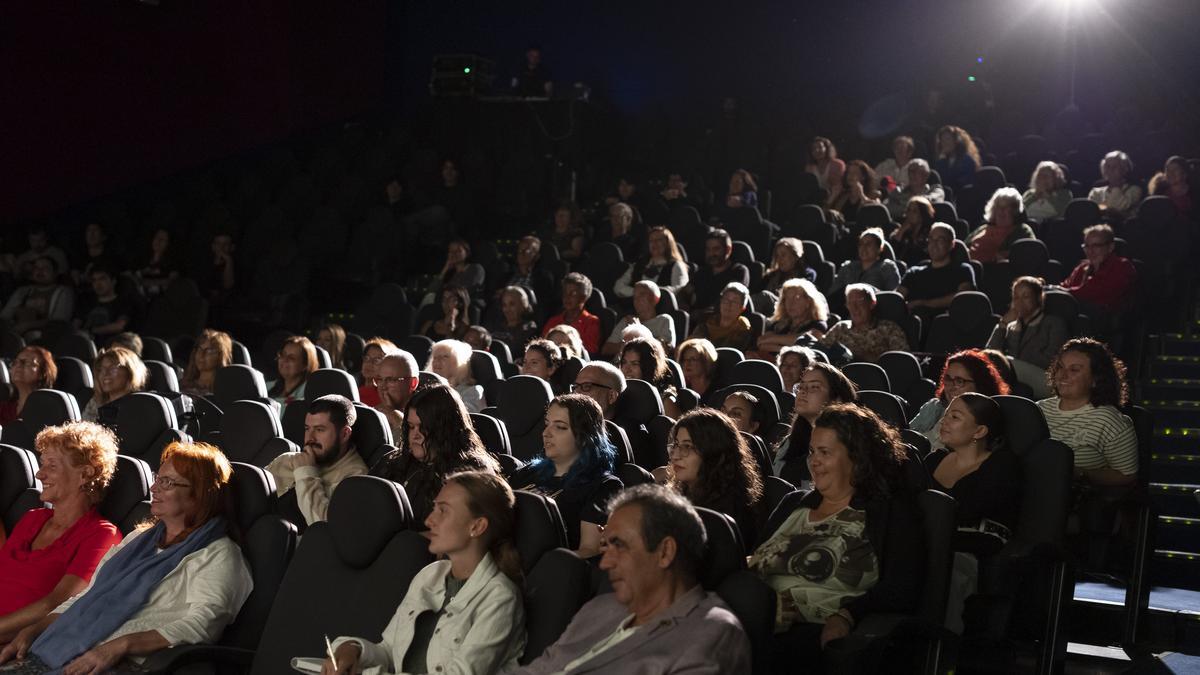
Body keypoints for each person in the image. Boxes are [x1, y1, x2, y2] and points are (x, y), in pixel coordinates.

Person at [0, 441, 252, 673]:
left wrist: (122, 645)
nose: (154, 488)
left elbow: (202, 625)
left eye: (168, 483)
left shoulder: (219, 555)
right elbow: (88, 596)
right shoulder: (137, 540)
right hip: (69, 647)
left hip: (128, 664)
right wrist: (35, 629)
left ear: (200, 494)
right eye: (157, 478)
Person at [511, 485, 752, 674]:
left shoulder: (711, 634)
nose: (604, 564)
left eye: (619, 545)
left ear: (665, 552)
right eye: (605, 547)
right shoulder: (599, 608)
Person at [750, 404, 921, 665]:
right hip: (757, 616)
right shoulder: (792, 504)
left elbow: (901, 588)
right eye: (811, 451)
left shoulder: (888, 512)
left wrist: (846, 616)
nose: (813, 461)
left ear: (857, 457)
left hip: (814, 631)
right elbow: (753, 565)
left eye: (825, 452)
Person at [324, 471, 525, 675]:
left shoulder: (501, 598)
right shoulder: (430, 575)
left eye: (443, 511)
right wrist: (353, 649)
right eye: (434, 508)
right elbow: (389, 651)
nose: (429, 520)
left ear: (477, 526)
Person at [0, 423, 122, 640]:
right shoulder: (32, 518)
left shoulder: (102, 535)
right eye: (42, 464)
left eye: (52, 466)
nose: (40, 474)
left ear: (85, 474)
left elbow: (58, 603)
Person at [924, 392, 1021, 633]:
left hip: (969, 550)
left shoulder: (1002, 465)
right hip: (928, 542)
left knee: (948, 572)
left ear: (979, 432)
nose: (944, 421)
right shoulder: (933, 461)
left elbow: (969, 511)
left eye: (955, 417)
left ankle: (940, 657)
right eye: (946, 415)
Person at [507, 394, 621, 558]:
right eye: (547, 424)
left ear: (585, 436)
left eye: (560, 427)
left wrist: (542, 566)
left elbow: (589, 550)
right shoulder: (527, 472)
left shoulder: (603, 486)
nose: (546, 433)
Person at [370, 384, 501, 527]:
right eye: (411, 427)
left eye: (425, 428)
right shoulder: (393, 462)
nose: (415, 436)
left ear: (445, 429)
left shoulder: (471, 472)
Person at [1038, 338, 1138, 487]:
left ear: (1095, 379)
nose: (1062, 375)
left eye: (1074, 370)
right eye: (1060, 367)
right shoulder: (1037, 409)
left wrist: (1079, 473)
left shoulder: (1108, 420)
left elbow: (1127, 476)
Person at [266, 395, 368, 528]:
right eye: (307, 429)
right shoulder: (286, 460)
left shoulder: (356, 479)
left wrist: (305, 473)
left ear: (344, 434)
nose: (310, 438)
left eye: (320, 430)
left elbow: (325, 530)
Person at [667, 408, 764, 547]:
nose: (675, 455)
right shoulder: (683, 493)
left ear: (714, 453)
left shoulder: (727, 511)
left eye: (687, 446)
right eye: (676, 444)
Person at [771, 362, 858, 486]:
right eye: (801, 387)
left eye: (814, 387)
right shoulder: (789, 442)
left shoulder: (851, 441)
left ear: (836, 399)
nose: (803, 391)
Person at [910, 349, 1010, 452]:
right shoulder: (934, 406)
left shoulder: (983, 421)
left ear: (980, 386)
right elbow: (906, 437)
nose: (951, 387)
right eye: (948, 378)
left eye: (959, 381)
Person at [987, 276, 1068, 397]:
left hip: (1046, 380)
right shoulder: (1012, 326)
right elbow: (990, 354)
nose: (1019, 301)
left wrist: (1013, 358)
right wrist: (1002, 324)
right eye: (1016, 297)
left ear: (1038, 299)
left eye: (1026, 297)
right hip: (1016, 378)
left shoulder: (1054, 323)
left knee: (1004, 362)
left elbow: (1052, 361)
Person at [897, 222, 976, 324]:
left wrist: (925, 303)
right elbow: (897, 298)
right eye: (931, 239)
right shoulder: (914, 272)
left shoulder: (962, 269)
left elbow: (963, 297)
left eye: (940, 240)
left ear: (951, 244)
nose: (934, 244)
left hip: (945, 323)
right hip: (912, 321)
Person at [1061, 224, 1137, 318]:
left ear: (1110, 247)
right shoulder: (1082, 267)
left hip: (1105, 321)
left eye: (1096, 246)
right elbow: (1065, 286)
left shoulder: (1122, 266)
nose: (1090, 251)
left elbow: (1096, 293)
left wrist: (1063, 292)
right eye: (1087, 246)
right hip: (1078, 317)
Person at [819, 284, 910, 362]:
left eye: (860, 301)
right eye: (850, 303)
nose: (855, 308)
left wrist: (872, 357)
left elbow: (902, 360)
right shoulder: (840, 327)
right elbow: (820, 351)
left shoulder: (888, 328)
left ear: (872, 303)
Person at [1, 257, 74, 339]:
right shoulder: (23, 291)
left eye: (45, 268)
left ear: (55, 273)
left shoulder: (63, 292)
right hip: (16, 335)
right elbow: (5, 316)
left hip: (47, 338)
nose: (40, 271)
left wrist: (27, 326)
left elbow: (59, 322)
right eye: (36, 268)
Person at [756, 278, 829, 358]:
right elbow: (762, 343)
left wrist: (775, 341)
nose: (791, 303)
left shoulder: (818, 324)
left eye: (796, 298)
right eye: (787, 298)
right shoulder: (779, 323)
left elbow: (806, 341)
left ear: (808, 302)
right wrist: (791, 348)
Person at [613, 226, 689, 300]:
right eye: (651, 240)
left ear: (668, 243)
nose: (654, 243)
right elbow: (618, 287)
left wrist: (652, 292)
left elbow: (679, 289)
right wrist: (639, 293)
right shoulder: (639, 265)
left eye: (659, 240)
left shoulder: (677, 265)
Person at [603, 280, 676, 356]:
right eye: (634, 296)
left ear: (655, 298)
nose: (636, 299)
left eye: (642, 294)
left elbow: (666, 349)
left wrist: (639, 330)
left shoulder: (664, 320)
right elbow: (606, 349)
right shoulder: (627, 321)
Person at [965, 187, 1036, 263]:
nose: (1001, 210)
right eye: (999, 206)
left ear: (1015, 210)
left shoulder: (1022, 230)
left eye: (1007, 207)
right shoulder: (983, 228)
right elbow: (963, 247)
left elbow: (1029, 252)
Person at [618, 337, 682, 418]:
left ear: (648, 367)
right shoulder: (616, 395)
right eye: (624, 362)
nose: (627, 369)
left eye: (635, 364)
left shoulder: (666, 401)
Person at [828, 228, 901, 297]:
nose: (863, 247)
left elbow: (892, 296)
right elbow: (833, 293)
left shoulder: (888, 267)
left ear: (879, 249)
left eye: (868, 244)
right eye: (861, 244)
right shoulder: (847, 267)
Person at [82, 347, 147, 423]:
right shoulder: (94, 403)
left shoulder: (141, 404)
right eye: (101, 369)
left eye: (113, 368)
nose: (105, 373)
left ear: (130, 371)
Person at [690, 229, 750, 312]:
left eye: (716, 249)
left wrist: (702, 314)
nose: (711, 253)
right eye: (708, 249)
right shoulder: (702, 272)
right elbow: (686, 291)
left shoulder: (738, 272)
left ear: (728, 250)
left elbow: (732, 300)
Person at [542, 273, 601, 356]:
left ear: (584, 297)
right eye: (565, 293)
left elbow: (590, 350)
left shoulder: (591, 321)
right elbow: (542, 345)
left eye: (573, 293)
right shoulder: (553, 320)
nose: (567, 297)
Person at [76, 264, 138, 343]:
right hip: (84, 344)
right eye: (94, 280)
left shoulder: (124, 302)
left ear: (113, 281)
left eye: (102, 279)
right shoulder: (87, 301)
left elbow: (119, 326)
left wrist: (91, 331)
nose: (98, 284)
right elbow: (76, 323)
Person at [498, 236, 555, 315]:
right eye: (520, 250)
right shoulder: (508, 275)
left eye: (526, 251)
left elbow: (541, 304)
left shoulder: (543, 277)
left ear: (537, 256)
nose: (521, 253)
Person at [0, 346, 57, 425]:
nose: (18, 366)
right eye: (15, 362)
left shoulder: (46, 410)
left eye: (26, 362)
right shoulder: (5, 408)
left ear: (42, 373)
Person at [690, 282, 754, 351]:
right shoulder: (707, 321)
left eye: (735, 301)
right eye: (726, 299)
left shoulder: (743, 328)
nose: (729, 304)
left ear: (742, 308)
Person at [373, 352, 420, 440]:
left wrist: (399, 423)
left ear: (413, 383)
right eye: (379, 379)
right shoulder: (372, 416)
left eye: (390, 380)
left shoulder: (427, 419)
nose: (383, 386)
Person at [429, 339, 485, 414]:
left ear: (459, 362)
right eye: (435, 357)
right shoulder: (425, 389)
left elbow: (465, 420)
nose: (437, 360)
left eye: (445, 356)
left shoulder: (473, 392)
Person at [267, 336, 318, 411]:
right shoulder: (265, 387)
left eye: (292, 358)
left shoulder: (309, 393)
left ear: (305, 365)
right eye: (282, 354)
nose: (284, 360)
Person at [1088, 151, 1143, 220]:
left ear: (1124, 169)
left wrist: (1115, 185)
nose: (1110, 170)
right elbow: (1091, 213)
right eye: (1108, 166)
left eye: (1114, 167)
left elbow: (1117, 207)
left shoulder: (1134, 190)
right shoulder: (1096, 192)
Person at [179, 329, 233, 398]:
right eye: (200, 349)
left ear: (221, 356)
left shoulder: (223, 392)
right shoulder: (181, 384)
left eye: (209, 351)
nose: (201, 354)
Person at [489, 286, 540, 356]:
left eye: (512, 304)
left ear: (523, 305)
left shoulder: (530, 329)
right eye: (504, 305)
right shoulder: (495, 324)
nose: (507, 309)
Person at [888, 195, 937, 265]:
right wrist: (901, 231)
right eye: (908, 210)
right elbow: (891, 253)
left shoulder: (930, 233)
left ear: (922, 214)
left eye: (914, 211)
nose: (910, 214)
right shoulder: (900, 231)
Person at [933, 125, 981, 192]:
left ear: (956, 141)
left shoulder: (967, 160)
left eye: (948, 139)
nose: (944, 143)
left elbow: (962, 184)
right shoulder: (941, 162)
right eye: (942, 140)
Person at [135, 229, 179, 297]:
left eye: (162, 239)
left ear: (168, 244)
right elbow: (136, 280)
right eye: (157, 237)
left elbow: (172, 282)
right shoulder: (142, 262)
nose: (158, 241)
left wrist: (147, 282)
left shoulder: (171, 265)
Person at [1148, 155, 1193, 219]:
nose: (1170, 173)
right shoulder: (1159, 192)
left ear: (1184, 173)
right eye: (1167, 170)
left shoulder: (1195, 193)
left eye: (1175, 169)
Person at [677, 338, 720, 406]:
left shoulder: (718, 393)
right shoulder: (681, 392)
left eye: (693, 359)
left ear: (706, 361)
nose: (687, 363)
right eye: (684, 359)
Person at [358, 338, 399, 408]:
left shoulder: (388, 399)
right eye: (367, 358)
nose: (369, 363)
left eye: (377, 360)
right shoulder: (355, 389)